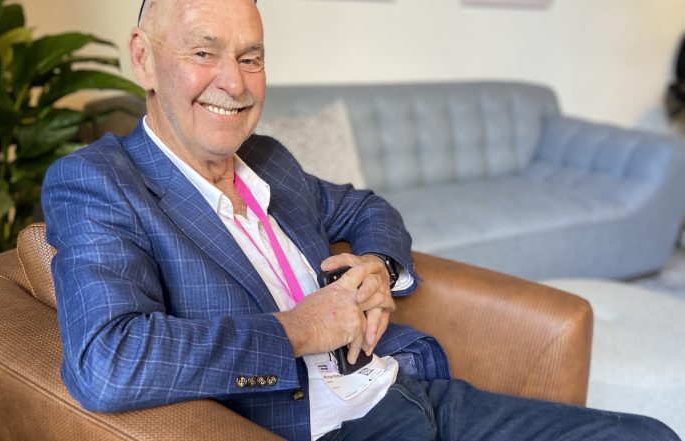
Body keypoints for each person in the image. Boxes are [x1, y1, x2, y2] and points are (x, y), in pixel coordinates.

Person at [41, 1, 680, 440]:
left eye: (251, 57)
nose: (233, 82)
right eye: (203, 52)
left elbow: (366, 207)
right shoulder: (100, 182)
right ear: (144, 58)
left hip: (414, 390)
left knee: (649, 433)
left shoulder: (267, 158)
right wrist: (298, 329)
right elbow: (107, 361)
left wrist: (379, 263)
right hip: (330, 426)